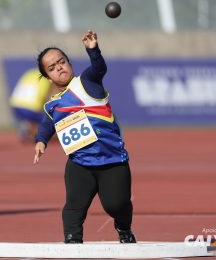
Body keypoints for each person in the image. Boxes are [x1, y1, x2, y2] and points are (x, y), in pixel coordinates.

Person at [34, 30, 136, 244]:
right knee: (73, 207)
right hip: (80, 163)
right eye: (52, 68)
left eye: (61, 62)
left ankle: (123, 228)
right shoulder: (53, 103)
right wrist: (41, 141)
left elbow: (99, 68)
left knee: (116, 205)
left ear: (69, 62)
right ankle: (72, 242)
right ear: (47, 76)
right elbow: (48, 121)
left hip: (112, 161)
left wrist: (93, 50)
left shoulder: (87, 82)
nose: (59, 68)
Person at [9, 68, 52, 143]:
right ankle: (31, 131)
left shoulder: (30, 73)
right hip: (31, 108)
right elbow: (48, 97)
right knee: (50, 121)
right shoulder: (48, 77)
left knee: (35, 118)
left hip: (15, 105)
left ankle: (28, 127)